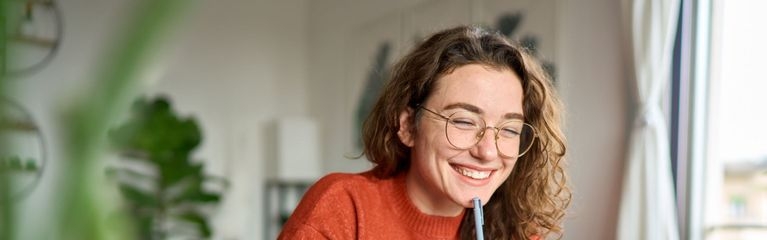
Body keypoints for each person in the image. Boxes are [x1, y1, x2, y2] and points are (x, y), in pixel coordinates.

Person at [278, 25, 570, 239]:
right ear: (407, 126)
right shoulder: (344, 207)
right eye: (464, 122)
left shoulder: (516, 232)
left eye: (509, 129)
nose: (488, 151)